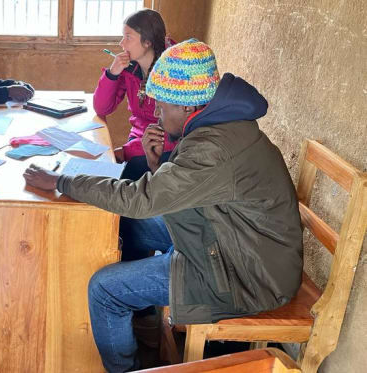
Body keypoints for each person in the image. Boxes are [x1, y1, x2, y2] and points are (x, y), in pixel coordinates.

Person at [23, 39, 303, 373]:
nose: (157, 112)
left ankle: (124, 360)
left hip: (246, 276)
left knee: (103, 289)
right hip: (227, 240)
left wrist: (61, 181)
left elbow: (142, 198)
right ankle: (139, 321)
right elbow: (194, 189)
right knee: (128, 227)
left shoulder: (212, 146)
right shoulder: (219, 124)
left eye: (162, 105)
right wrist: (158, 168)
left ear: (186, 107)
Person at [93, 9, 177, 179]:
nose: (121, 43)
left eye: (128, 37)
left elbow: (175, 131)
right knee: (106, 171)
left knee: (119, 177)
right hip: (138, 140)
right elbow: (101, 108)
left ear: (147, 42)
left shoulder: (173, 70)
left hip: (165, 145)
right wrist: (112, 74)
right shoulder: (131, 68)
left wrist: (128, 151)